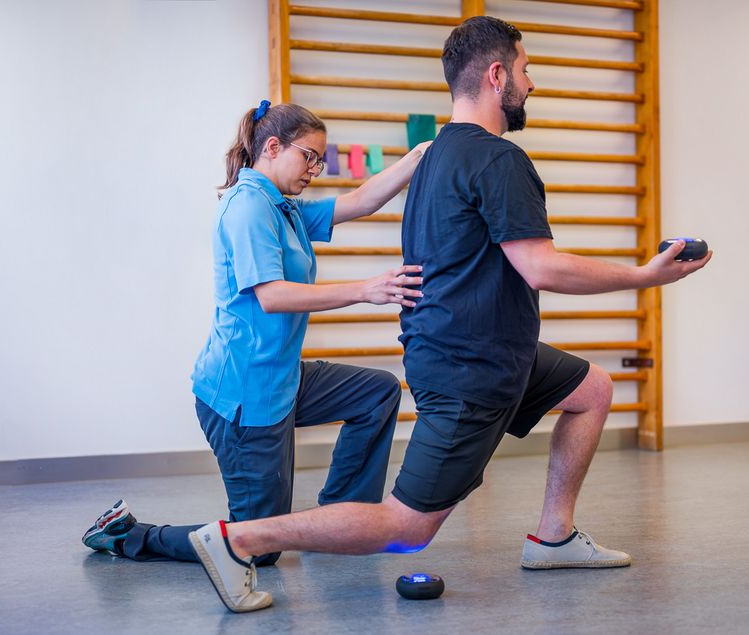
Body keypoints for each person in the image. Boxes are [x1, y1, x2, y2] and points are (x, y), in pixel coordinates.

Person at [184, 17, 713, 614]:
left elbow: (360, 200)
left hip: (484, 350)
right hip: (465, 370)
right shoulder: (495, 161)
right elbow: (540, 268)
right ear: (496, 76)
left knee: (592, 388)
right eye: (525, 70)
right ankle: (239, 538)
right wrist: (645, 276)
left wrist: (414, 157)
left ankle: (553, 535)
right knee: (406, 527)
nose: (530, 84)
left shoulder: (431, 161)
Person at [81, 101, 432, 581]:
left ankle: (339, 518)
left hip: (280, 378)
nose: (315, 169)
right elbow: (272, 296)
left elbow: (361, 200)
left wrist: (418, 157)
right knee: (260, 547)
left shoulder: (282, 207)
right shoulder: (247, 208)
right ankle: (128, 535)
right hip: (245, 397)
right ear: (272, 147)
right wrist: (366, 290)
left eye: (319, 160)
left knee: (376, 392)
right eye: (309, 157)